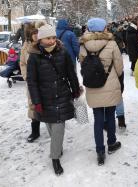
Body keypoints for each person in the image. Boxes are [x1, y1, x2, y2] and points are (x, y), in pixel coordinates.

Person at [26, 24, 81, 175]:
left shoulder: (63, 52)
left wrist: (75, 89)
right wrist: (36, 102)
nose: (52, 41)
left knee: (58, 127)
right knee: (51, 125)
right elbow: (32, 81)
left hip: (62, 95)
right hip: (44, 98)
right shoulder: (34, 56)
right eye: (48, 38)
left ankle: (55, 158)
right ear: (41, 39)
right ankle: (58, 148)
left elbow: (71, 73)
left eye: (54, 37)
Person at [79, 18, 123, 166]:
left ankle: (100, 151)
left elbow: (83, 65)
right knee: (110, 115)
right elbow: (119, 66)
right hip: (109, 84)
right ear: (104, 28)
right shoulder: (111, 43)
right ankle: (111, 143)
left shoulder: (83, 45)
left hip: (93, 86)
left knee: (98, 119)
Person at [20, 21, 46, 143]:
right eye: (33, 33)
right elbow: (22, 63)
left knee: (48, 103)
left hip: (45, 81)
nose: (35, 35)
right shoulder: (25, 46)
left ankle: (55, 127)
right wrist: (26, 76)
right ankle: (35, 131)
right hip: (32, 82)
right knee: (33, 104)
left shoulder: (44, 44)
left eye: (37, 33)